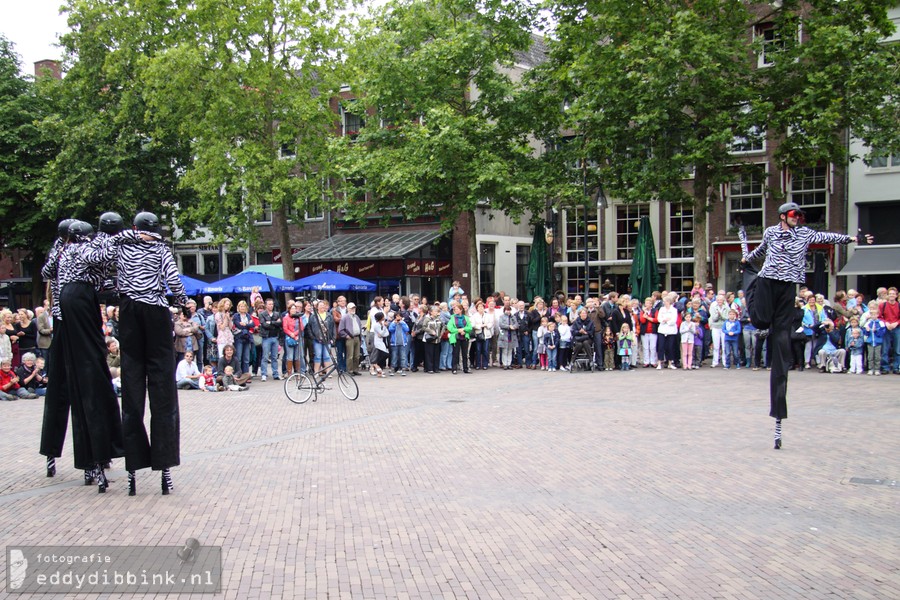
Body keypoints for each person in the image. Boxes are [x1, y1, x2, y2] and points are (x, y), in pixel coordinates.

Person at [743, 201, 871, 449]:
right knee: (759, 316)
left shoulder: (805, 233)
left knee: (782, 338)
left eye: (800, 215)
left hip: (788, 285)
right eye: (794, 214)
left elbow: (829, 236)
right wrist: (747, 259)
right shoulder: (771, 232)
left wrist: (853, 239)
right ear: (783, 216)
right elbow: (760, 251)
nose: (798, 218)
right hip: (768, 280)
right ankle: (760, 323)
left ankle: (778, 405)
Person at [86, 211, 184, 495]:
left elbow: (99, 254)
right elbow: (174, 282)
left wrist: (127, 235)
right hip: (154, 311)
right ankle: (164, 468)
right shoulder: (161, 249)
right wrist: (183, 300)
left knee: (131, 388)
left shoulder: (121, 245)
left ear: (134, 227)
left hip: (129, 311)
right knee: (163, 389)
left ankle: (133, 468)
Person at [56, 220, 125, 492]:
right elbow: (102, 255)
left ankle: (98, 455)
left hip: (79, 298)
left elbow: (102, 275)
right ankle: (95, 457)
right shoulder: (79, 248)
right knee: (88, 371)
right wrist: (114, 239)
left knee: (91, 368)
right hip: (77, 299)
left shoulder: (68, 250)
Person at [258, 298, 283, 381]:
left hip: (275, 337)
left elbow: (280, 324)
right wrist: (275, 323)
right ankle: (264, 374)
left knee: (274, 357)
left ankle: (275, 373)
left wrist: (271, 322)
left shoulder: (276, 314)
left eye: (272, 304)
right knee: (265, 356)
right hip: (266, 337)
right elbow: (264, 325)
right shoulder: (262, 314)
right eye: (269, 304)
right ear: (266, 305)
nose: (271, 306)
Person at [338, 302, 363, 376]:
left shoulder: (357, 317)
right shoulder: (345, 317)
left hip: (357, 337)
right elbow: (340, 330)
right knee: (350, 355)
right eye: (352, 308)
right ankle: (350, 370)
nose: (353, 309)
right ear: (348, 309)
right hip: (350, 338)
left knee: (357, 355)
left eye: (354, 308)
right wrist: (346, 336)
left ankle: (355, 369)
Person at [447, 303, 473, 374]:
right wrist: (458, 330)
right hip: (456, 337)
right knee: (455, 353)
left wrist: (464, 330)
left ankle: (466, 368)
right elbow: (450, 327)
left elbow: (470, 327)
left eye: (457, 309)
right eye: (455, 309)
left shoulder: (466, 318)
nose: (455, 311)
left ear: (461, 310)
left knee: (465, 354)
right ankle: (454, 368)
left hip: (464, 337)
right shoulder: (452, 318)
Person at [656, 295, 679, 370]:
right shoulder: (661, 309)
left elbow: (673, 320)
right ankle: (659, 363)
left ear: (669, 302)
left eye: (665, 301)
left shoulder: (674, 310)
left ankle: (670, 363)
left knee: (670, 347)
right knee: (661, 346)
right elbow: (659, 318)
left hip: (671, 330)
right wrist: (665, 319)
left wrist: (667, 320)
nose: (664, 302)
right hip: (662, 330)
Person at [862, 303, 886, 375]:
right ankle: (870, 369)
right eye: (872, 315)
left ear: (877, 315)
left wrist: (877, 331)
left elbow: (882, 332)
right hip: (870, 342)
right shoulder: (868, 323)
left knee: (877, 356)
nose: (873, 316)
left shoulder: (881, 323)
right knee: (870, 356)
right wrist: (867, 331)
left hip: (878, 342)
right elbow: (865, 332)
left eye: (875, 314)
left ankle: (877, 369)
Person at [282, 302, 304, 376]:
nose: (294, 310)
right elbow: (285, 328)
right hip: (289, 337)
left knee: (297, 356)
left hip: (297, 337)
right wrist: (292, 334)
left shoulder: (299, 317)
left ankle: (297, 372)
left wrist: (295, 334)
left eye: (295, 309)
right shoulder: (285, 318)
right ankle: (289, 373)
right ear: (289, 310)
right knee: (290, 356)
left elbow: (302, 327)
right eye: (292, 309)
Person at [497, 305, 519, 370]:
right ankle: (505, 364)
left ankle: (509, 364)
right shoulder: (501, 316)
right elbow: (501, 324)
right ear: (504, 310)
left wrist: (514, 327)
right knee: (504, 350)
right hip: (504, 335)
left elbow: (516, 324)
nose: (508, 311)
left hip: (512, 335)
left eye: (509, 310)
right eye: (507, 310)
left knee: (510, 350)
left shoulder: (513, 317)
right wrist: (509, 326)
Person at [369, 312, 389, 377]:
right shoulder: (376, 325)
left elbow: (386, 333)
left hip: (382, 341)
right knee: (382, 355)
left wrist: (383, 333)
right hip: (377, 342)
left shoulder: (382, 324)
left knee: (385, 355)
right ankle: (376, 366)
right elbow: (382, 333)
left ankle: (379, 369)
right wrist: (384, 329)